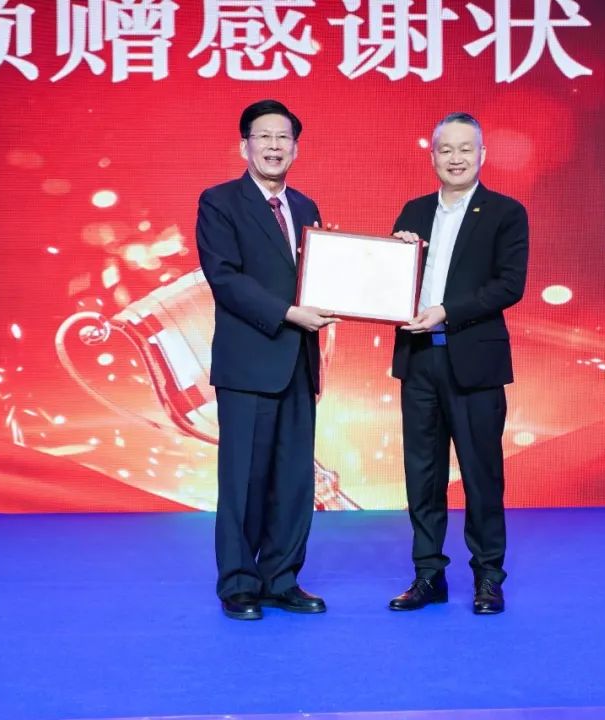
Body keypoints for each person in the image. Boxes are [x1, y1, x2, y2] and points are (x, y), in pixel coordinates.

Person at [196, 99, 338, 620]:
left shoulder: (305, 206)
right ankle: (238, 582)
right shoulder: (219, 202)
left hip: (298, 363)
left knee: (294, 480)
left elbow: (319, 276)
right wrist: (289, 313)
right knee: (244, 480)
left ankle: (281, 578)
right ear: (245, 146)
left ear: (295, 148)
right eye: (264, 137)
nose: (274, 146)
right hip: (249, 364)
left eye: (284, 138)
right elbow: (225, 278)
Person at [388, 112, 529, 615]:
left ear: (482, 154)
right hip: (419, 361)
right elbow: (390, 283)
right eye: (445, 149)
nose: (455, 158)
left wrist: (447, 311)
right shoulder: (414, 210)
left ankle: (488, 576)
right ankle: (428, 575)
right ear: (432, 156)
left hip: (474, 362)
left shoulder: (505, 213)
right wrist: (393, 259)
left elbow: (509, 285)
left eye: (465, 148)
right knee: (422, 475)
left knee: (481, 474)